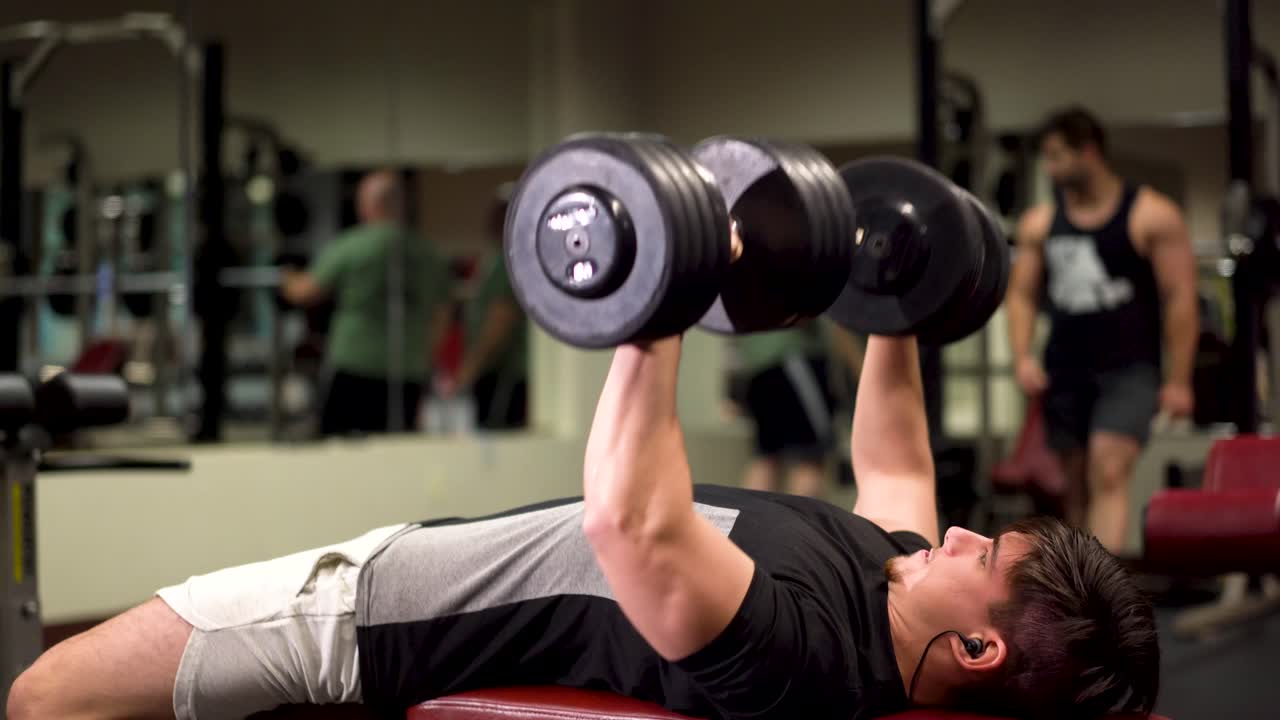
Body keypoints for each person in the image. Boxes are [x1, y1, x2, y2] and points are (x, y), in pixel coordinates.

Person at [7, 324, 1159, 720]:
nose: (957, 533)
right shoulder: (891, 572)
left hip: (366, 621)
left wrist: (652, 311)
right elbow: (893, 457)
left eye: (983, 554)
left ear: (978, 648)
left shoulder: (802, 655)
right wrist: (894, 303)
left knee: (44, 696)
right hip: (399, 569)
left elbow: (629, 522)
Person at [1007, 106, 1198, 553]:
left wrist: (1179, 380)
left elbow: (1180, 297)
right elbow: (1022, 295)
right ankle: (1081, 581)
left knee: (1109, 469)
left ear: (1089, 152)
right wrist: (1022, 356)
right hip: (1065, 369)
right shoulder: (1040, 223)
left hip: (1130, 370)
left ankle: (1101, 585)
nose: (1050, 168)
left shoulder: (1152, 215)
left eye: (1057, 156)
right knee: (1074, 487)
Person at [280, 170, 453, 436]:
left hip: (355, 365)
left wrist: (286, 277)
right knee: (398, 446)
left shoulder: (352, 246)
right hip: (408, 367)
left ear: (369, 205)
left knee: (337, 444)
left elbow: (304, 291)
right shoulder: (430, 254)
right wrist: (424, 355)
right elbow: (442, 316)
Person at [734, 321, 863, 497]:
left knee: (768, 458)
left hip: (758, 368)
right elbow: (837, 322)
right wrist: (861, 370)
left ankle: (747, 515)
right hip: (795, 362)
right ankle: (800, 516)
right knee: (810, 459)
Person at [445, 190, 529, 430]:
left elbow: (500, 323)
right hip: (493, 372)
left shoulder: (508, 264)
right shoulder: (495, 261)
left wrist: (470, 368)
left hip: (504, 375)